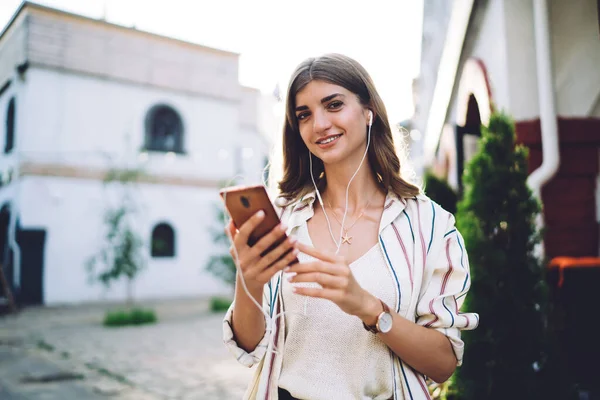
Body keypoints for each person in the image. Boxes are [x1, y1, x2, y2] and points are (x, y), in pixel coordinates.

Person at [222, 53, 478, 400]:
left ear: (368, 110)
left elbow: (443, 363)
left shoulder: (430, 225)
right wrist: (248, 280)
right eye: (304, 115)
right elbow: (250, 348)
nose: (320, 124)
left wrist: (367, 307)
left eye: (334, 105)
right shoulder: (282, 218)